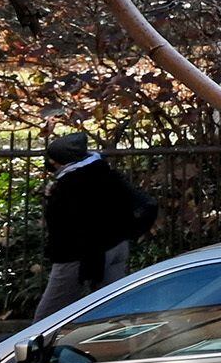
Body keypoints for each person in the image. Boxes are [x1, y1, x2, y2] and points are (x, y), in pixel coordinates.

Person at [33, 130, 155, 319]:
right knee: (113, 307)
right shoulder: (105, 174)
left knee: (49, 313)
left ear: (62, 162)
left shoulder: (69, 185)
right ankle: (122, 343)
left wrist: (51, 197)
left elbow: (62, 224)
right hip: (117, 247)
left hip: (78, 257)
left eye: (53, 162)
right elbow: (145, 204)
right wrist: (133, 231)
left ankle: (33, 346)